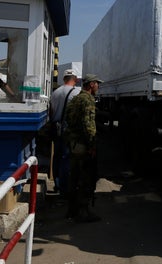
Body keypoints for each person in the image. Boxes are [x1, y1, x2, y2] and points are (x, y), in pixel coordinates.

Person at [64, 73, 102, 223]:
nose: (98, 86)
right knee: (85, 178)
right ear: (91, 84)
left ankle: (71, 210)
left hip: (73, 143)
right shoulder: (87, 100)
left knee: (74, 178)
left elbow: (69, 119)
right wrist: (92, 145)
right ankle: (83, 211)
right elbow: (89, 125)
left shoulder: (76, 98)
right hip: (82, 145)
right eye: (97, 83)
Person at [49, 69, 81, 196]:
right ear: (76, 79)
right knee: (66, 158)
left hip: (56, 128)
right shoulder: (77, 93)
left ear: (64, 79)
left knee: (57, 156)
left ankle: (57, 184)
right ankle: (64, 187)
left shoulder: (55, 93)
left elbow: (51, 112)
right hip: (69, 130)